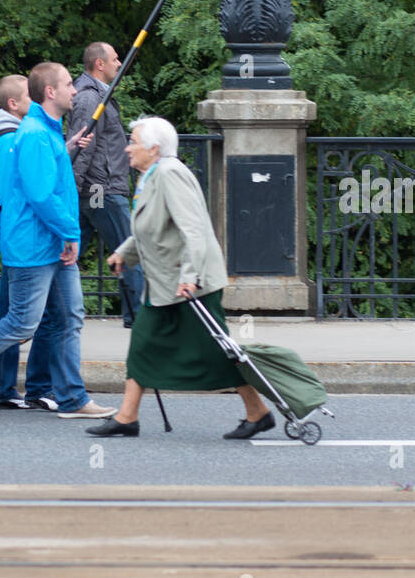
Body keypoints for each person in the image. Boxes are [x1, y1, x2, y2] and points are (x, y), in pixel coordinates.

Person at [0, 63, 113, 421]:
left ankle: (73, 399)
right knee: (21, 323)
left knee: (67, 318)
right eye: (68, 85)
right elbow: (41, 195)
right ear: (50, 92)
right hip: (35, 245)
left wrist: (66, 233)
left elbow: (48, 187)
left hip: (48, 243)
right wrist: (70, 233)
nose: (75, 90)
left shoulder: (44, 131)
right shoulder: (33, 135)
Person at [86, 115, 274, 440]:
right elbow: (154, 228)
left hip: (189, 287)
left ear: (154, 148)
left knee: (217, 352)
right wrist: (124, 253)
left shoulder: (171, 174)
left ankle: (258, 411)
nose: (128, 148)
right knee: (143, 344)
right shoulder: (152, 175)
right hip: (165, 287)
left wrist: (191, 276)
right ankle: (127, 417)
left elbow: (194, 229)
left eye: (133, 142)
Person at [0, 75, 64, 411]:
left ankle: (6, 389)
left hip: (17, 239)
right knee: (29, 319)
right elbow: (21, 190)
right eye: (30, 100)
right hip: (25, 242)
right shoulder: (11, 140)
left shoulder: (12, 136)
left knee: (14, 317)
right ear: (14, 105)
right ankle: (21, 388)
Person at [69, 42, 143, 323]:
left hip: (96, 188)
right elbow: (82, 147)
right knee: (129, 249)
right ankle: (139, 318)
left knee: (68, 253)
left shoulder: (99, 95)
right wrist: (73, 189)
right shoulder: (91, 99)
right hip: (102, 190)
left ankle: (48, 307)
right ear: (99, 64)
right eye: (114, 59)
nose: (118, 63)